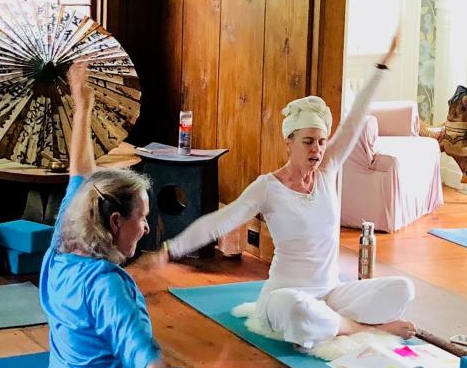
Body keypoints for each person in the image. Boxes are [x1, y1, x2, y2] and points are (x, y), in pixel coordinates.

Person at [34, 63, 261, 368]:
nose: (147, 226)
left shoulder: (62, 245)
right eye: (141, 217)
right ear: (116, 221)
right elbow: (143, 363)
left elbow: (79, 174)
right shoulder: (109, 284)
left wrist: (83, 104)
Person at [149, 29, 416, 349]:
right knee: (295, 310)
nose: (316, 149)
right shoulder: (268, 188)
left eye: (320, 141)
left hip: (331, 294)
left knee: (403, 289)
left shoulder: (328, 169)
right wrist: (170, 249)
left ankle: (334, 322)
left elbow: (356, 118)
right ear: (288, 142)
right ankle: (358, 329)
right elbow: (220, 221)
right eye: (307, 142)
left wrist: (382, 65)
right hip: (286, 296)